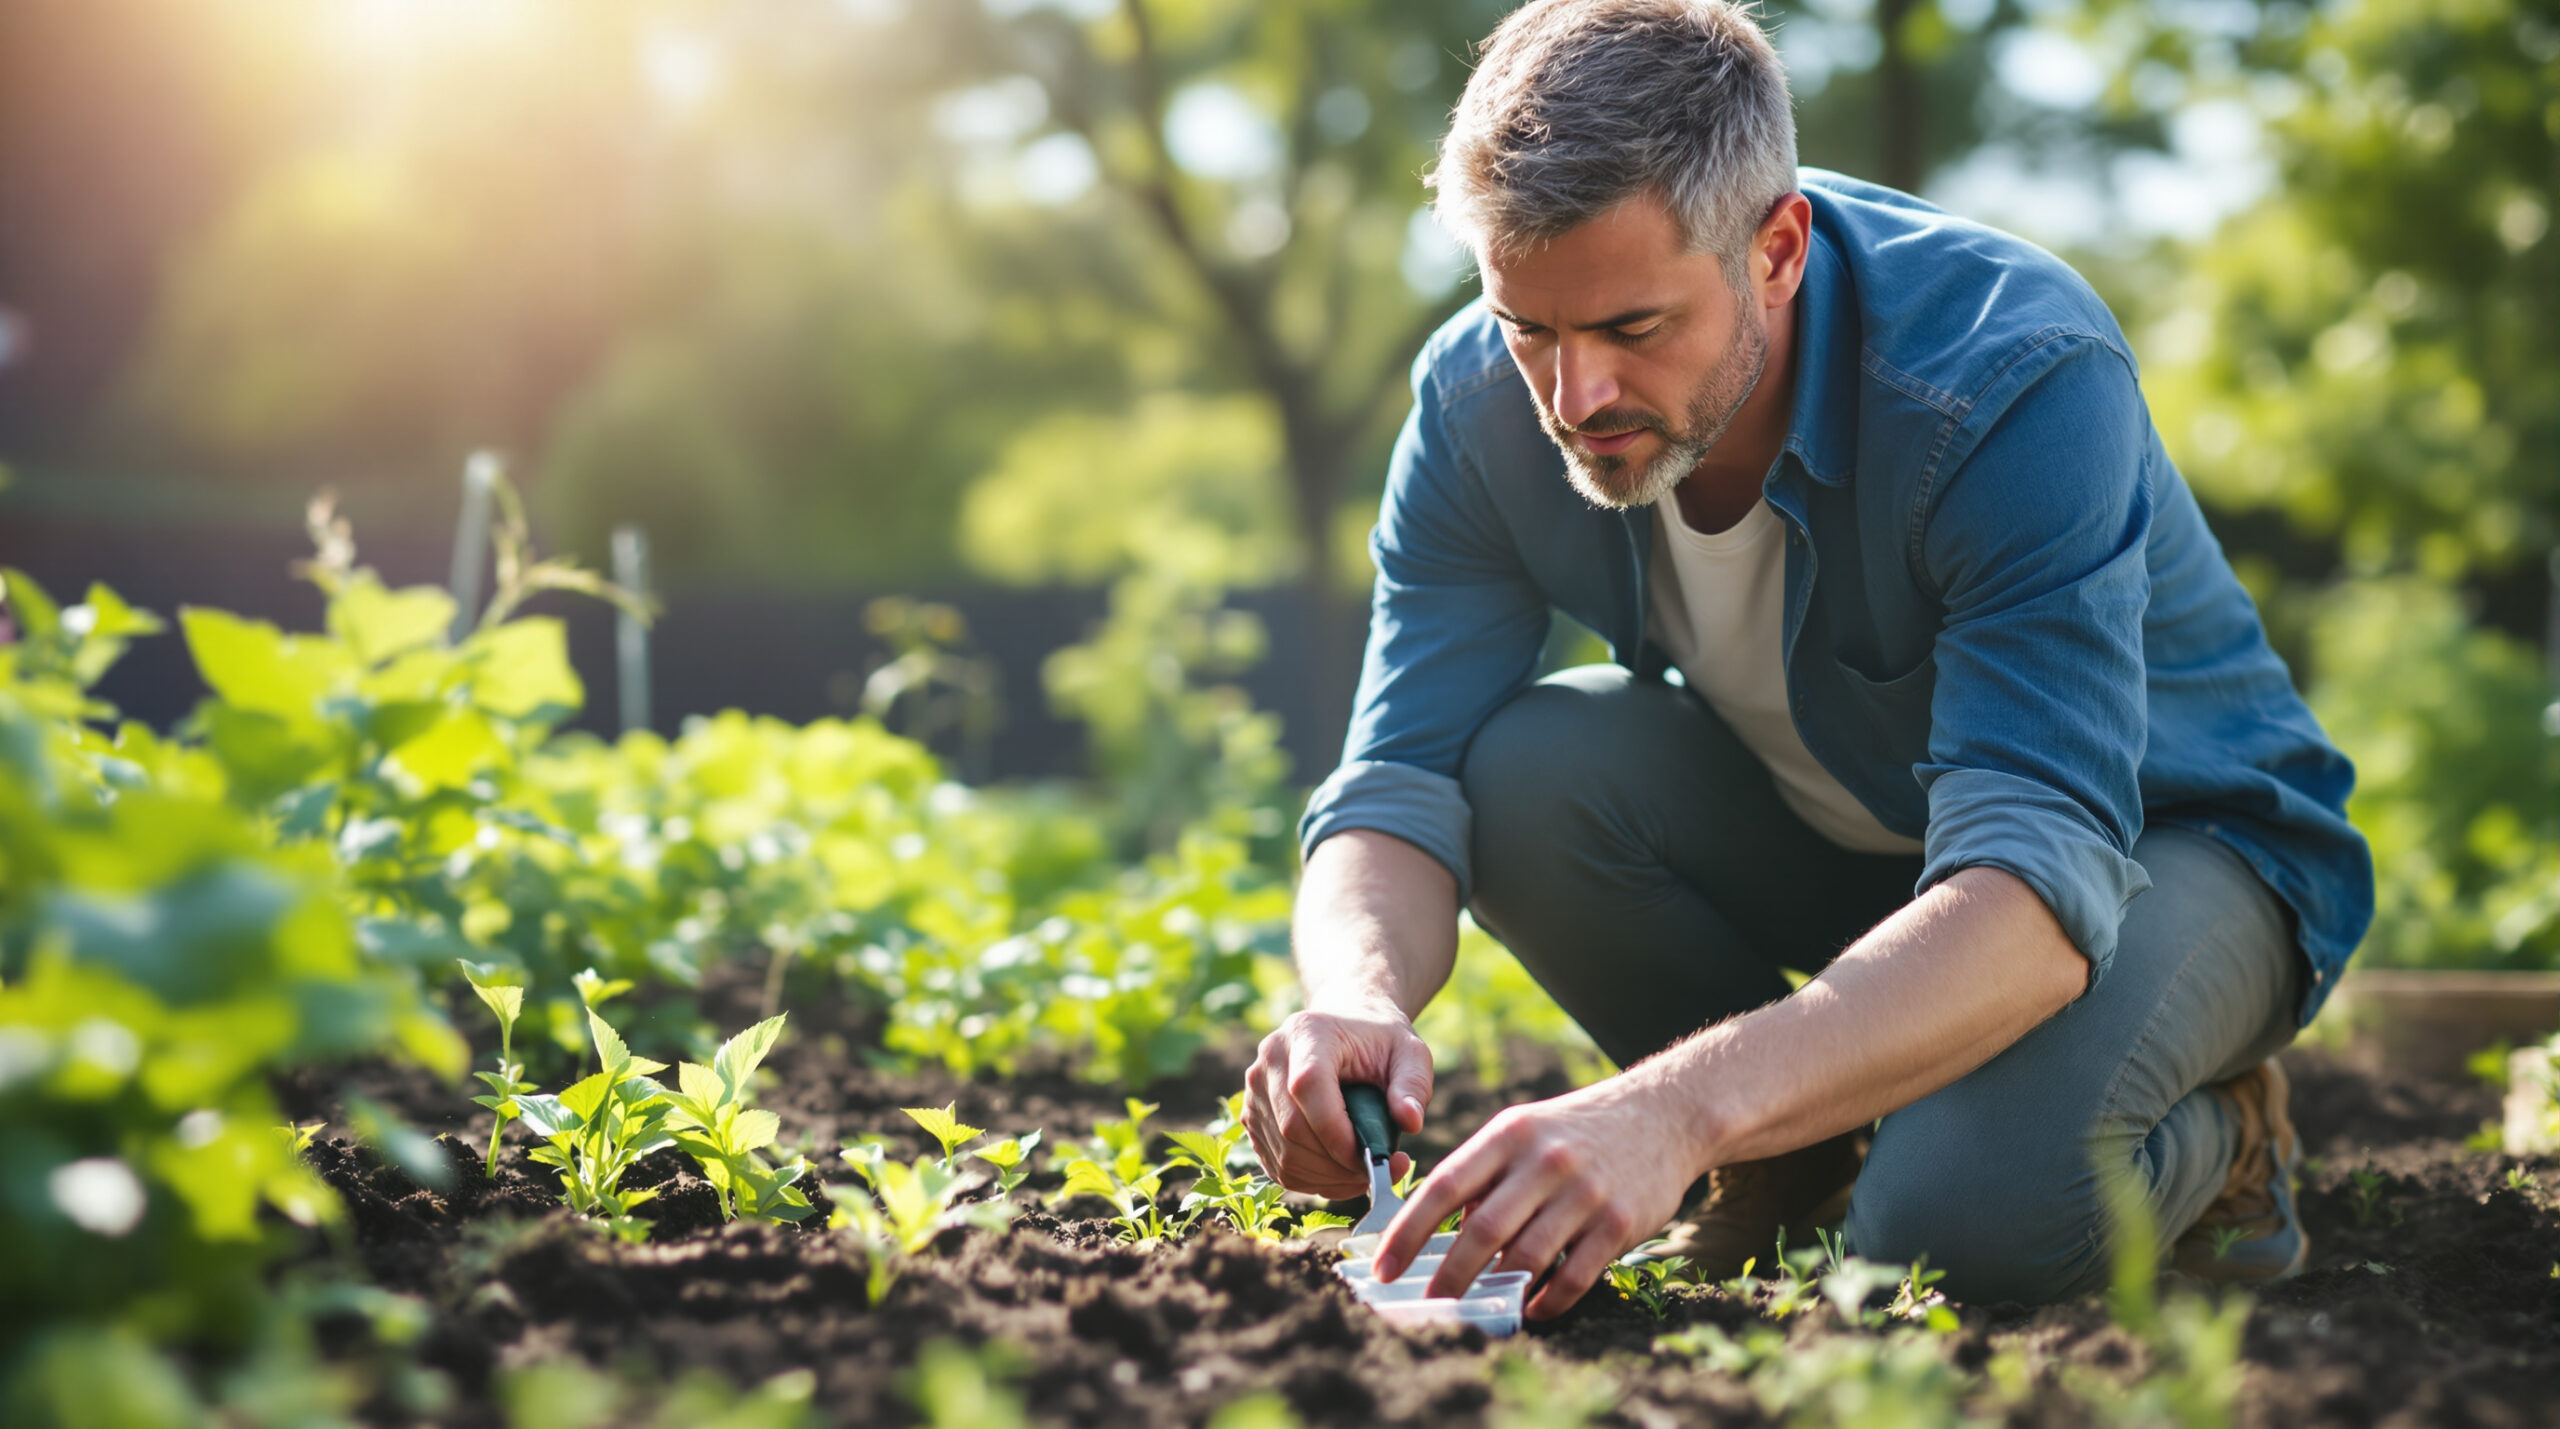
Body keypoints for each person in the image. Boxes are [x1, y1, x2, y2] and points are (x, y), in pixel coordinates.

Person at [1240, 0, 2373, 1320]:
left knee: (1954, 1231)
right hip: (1882, 846)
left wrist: (1669, 1110)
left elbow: (2035, 878)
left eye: (1633, 328)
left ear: (1776, 250)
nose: (1573, 398)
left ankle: (2222, 1132)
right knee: (1526, 767)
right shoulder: (1477, 405)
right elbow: (1400, 776)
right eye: (1529, 330)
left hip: (2167, 852)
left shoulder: (2010, 378)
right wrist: (1356, 994)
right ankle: (1798, 1156)